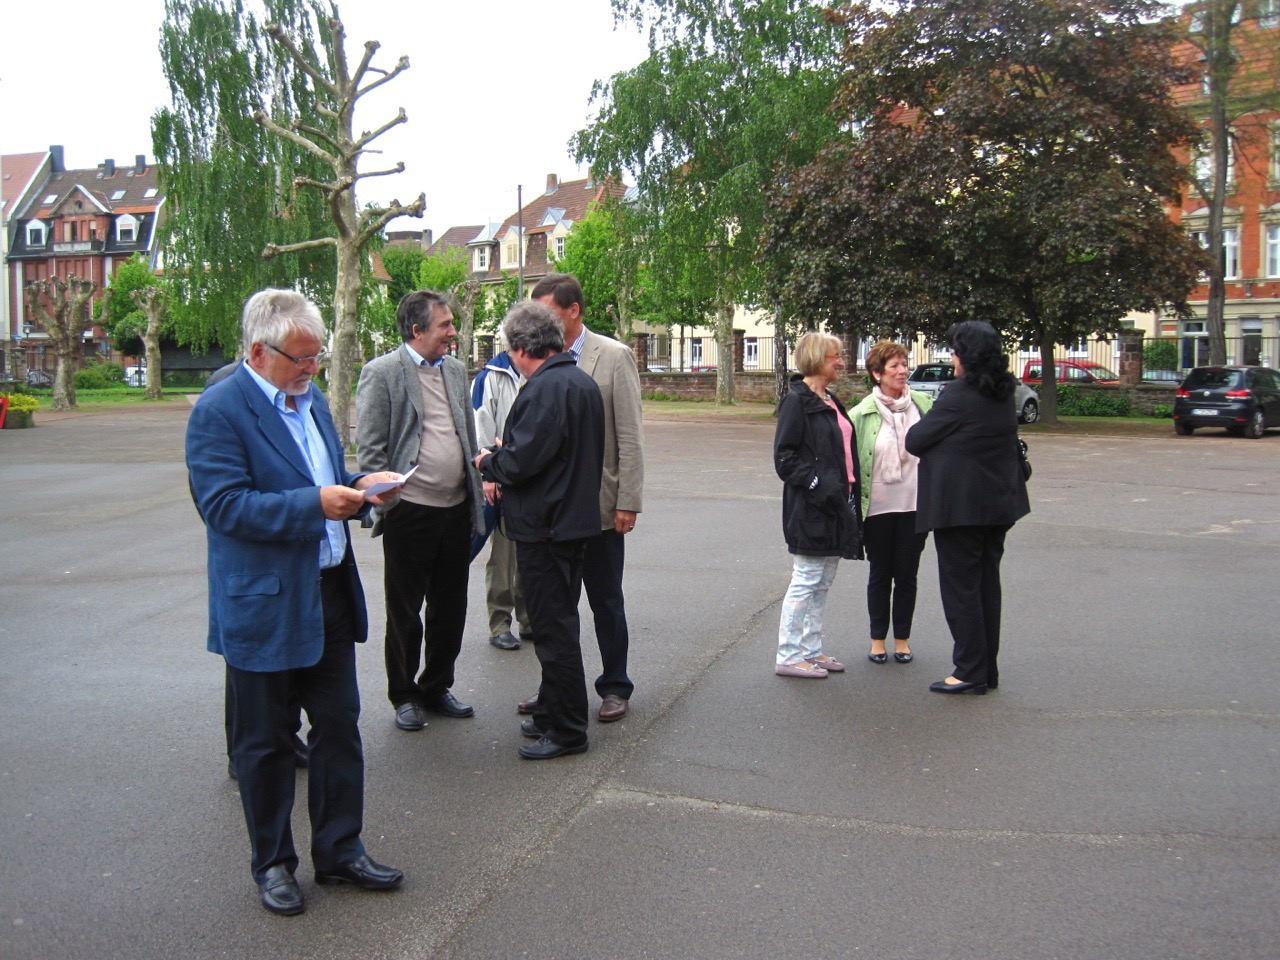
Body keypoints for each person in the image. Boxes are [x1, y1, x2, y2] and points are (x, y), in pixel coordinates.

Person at [186, 288, 406, 916]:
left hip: (329, 592)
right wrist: (316, 504)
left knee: (339, 730)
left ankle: (340, 851)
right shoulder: (219, 411)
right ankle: (274, 865)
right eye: (302, 359)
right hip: (264, 604)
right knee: (265, 744)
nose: (312, 370)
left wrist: (362, 486)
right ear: (259, 351)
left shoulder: (308, 404)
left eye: (318, 360)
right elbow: (223, 507)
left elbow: (322, 474)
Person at [474, 301, 605, 759]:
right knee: (558, 625)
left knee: (554, 632)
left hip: (545, 526)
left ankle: (568, 729)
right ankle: (553, 710)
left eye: (510, 350)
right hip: (570, 522)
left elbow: (520, 461)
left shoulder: (546, 388)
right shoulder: (580, 382)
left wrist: (489, 460)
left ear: (523, 347)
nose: (510, 358)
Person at [355, 290, 486, 731]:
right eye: (446, 325)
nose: (454, 332)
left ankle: (436, 685)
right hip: (409, 511)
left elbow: (465, 432)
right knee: (405, 611)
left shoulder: (453, 370)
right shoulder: (382, 372)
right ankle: (404, 693)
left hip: (455, 509)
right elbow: (370, 449)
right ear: (417, 330)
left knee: (450, 608)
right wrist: (384, 498)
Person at [527, 273, 643, 722]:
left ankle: (615, 686)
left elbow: (630, 437)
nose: (540, 322)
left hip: (598, 508)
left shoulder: (613, 357)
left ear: (573, 310)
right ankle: (554, 687)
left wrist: (627, 500)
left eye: (548, 312)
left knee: (605, 601)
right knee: (555, 609)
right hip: (553, 510)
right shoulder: (538, 358)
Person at [905, 320, 1030, 695]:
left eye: (956, 350)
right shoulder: (1003, 391)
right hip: (998, 505)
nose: (951, 356)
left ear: (968, 355)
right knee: (986, 585)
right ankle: (985, 669)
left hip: (960, 509)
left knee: (961, 590)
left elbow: (916, 439)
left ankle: (969, 670)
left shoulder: (959, 394)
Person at [772, 331, 863, 678]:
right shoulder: (797, 401)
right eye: (834, 356)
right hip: (811, 506)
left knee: (822, 581)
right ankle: (789, 654)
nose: (841, 362)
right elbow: (785, 458)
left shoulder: (830, 400)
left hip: (837, 502)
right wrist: (816, 484)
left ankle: (811, 650)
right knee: (806, 579)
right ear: (815, 359)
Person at [848, 341, 934, 666]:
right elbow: (853, 465)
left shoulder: (924, 405)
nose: (902, 371)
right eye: (894, 366)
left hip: (915, 505)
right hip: (878, 509)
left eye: (904, 364)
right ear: (877, 373)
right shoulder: (861, 413)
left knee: (908, 575)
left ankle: (902, 640)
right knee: (881, 574)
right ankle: (877, 640)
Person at [471, 346, 532, 651]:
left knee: (528, 554)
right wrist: (489, 475)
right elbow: (479, 426)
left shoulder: (535, 369)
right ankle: (499, 623)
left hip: (529, 480)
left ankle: (529, 619)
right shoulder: (490, 377)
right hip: (500, 475)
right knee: (503, 557)